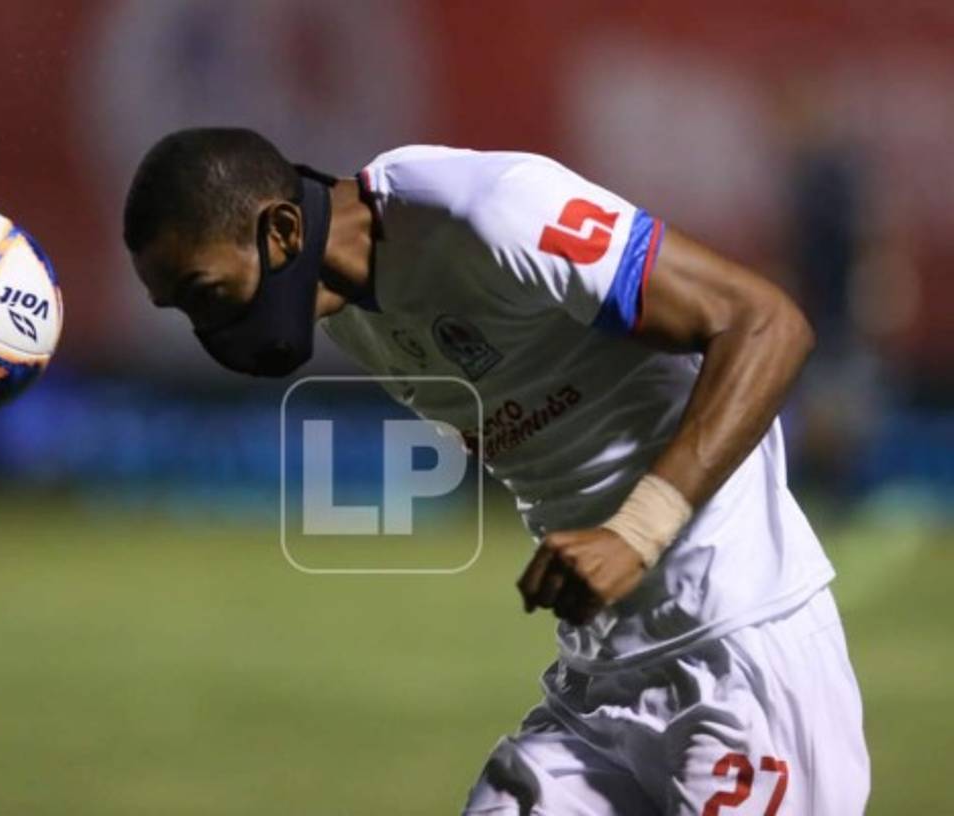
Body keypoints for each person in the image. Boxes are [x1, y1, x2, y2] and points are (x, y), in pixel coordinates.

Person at [123, 128, 869, 815]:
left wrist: (636, 531)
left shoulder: (486, 210)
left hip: (739, 652)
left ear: (282, 231)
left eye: (205, 293)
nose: (205, 328)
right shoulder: (351, 317)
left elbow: (764, 322)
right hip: (600, 682)